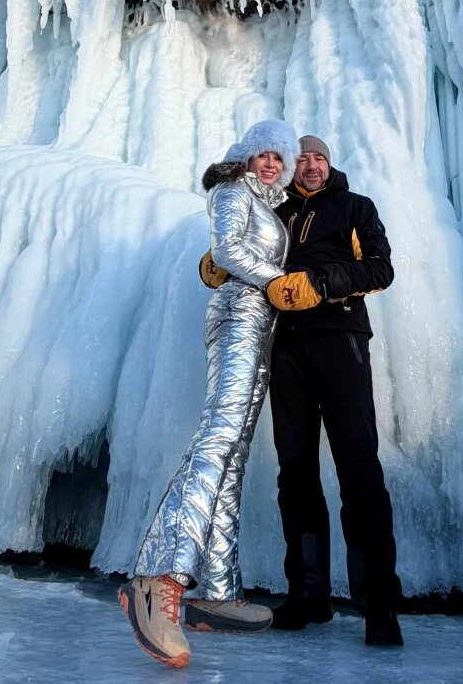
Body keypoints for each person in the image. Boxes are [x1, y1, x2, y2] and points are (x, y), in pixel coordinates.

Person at [118, 119, 299, 669]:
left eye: (279, 158)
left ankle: (217, 591)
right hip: (240, 317)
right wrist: (273, 280)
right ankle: (158, 574)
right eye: (264, 154)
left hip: (261, 321)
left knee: (235, 453)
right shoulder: (232, 191)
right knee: (218, 437)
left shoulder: (268, 204)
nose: (270, 164)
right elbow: (224, 250)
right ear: (247, 156)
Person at [265, 135, 403, 647]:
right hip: (286, 348)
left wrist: (322, 282)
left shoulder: (354, 208)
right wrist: (217, 265)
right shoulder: (274, 213)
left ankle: (378, 605)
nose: (311, 165)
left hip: (340, 339)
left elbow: (380, 268)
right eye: (301, 158)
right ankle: (308, 596)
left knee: (358, 466)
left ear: (330, 163)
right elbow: (247, 259)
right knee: (295, 470)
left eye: (318, 157)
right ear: (289, 167)